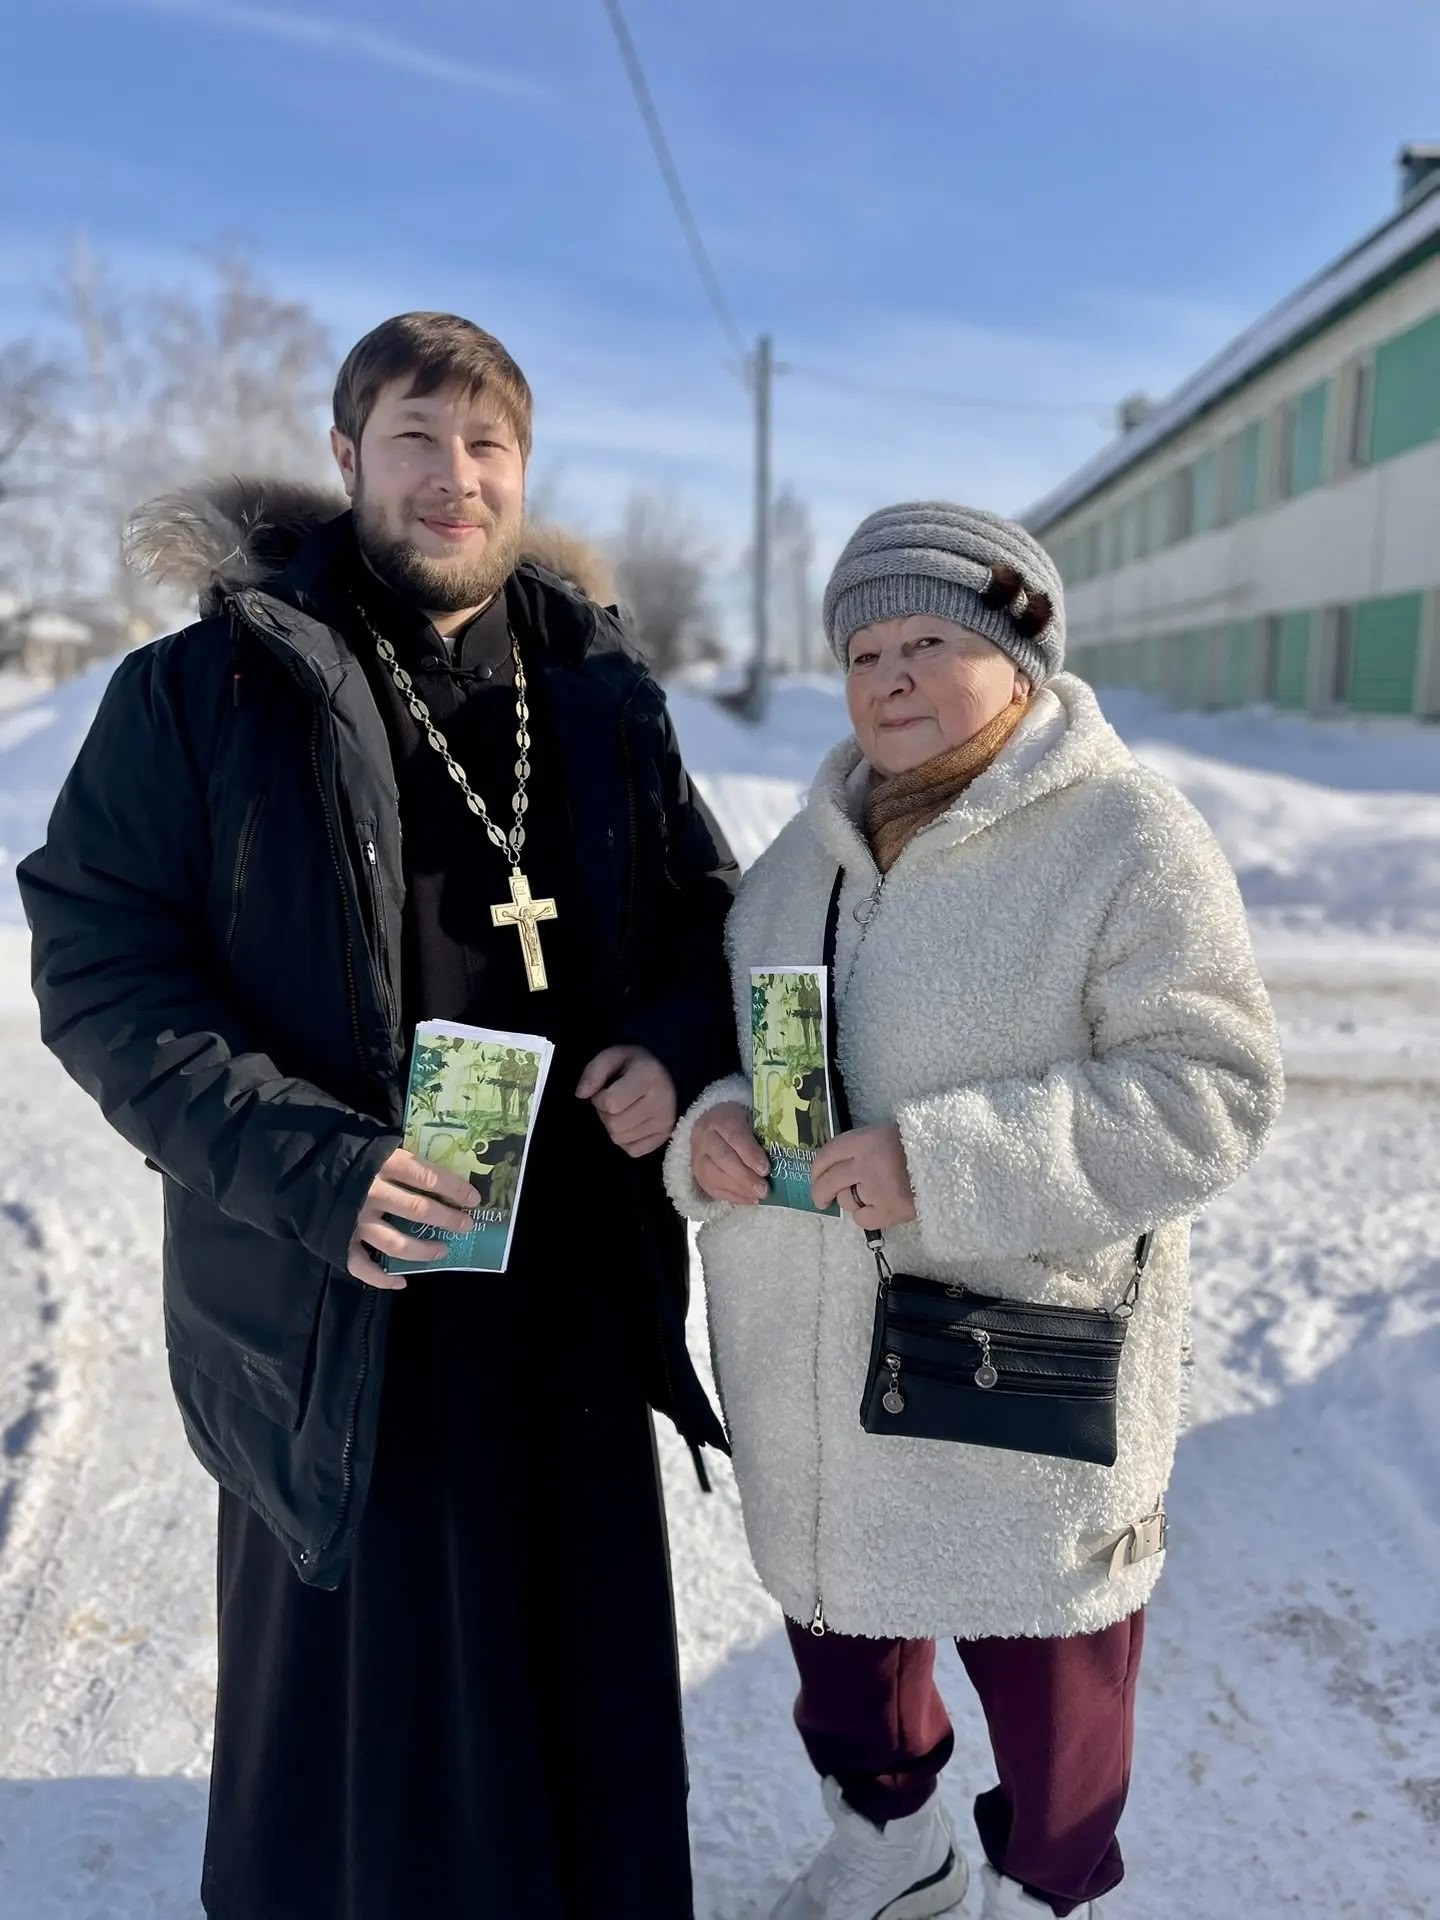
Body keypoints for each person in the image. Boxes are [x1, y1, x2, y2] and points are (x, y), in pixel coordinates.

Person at [18, 311, 740, 1920]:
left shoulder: (603, 694)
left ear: (523, 471)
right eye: (416, 436)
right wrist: (310, 1168)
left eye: (488, 445)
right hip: (341, 1278)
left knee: (575, 1684)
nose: (453, 475)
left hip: (570, 1276)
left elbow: (712, 918)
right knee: (366, 1720)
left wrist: (671, 1042)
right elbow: (101, 962)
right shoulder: (206, 688)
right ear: (347, 457)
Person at [666, 503, 1284, 1920]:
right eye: (862, 651)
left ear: (1021, 657)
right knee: (845, 1642)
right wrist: (711, 1129)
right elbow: (753, 1057)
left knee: (1055, 1689)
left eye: (928, 642)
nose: (889, 677)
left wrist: (945, 1163)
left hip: (1020, 1357)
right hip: (819, 1368)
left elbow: (1212, 1090)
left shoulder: (1127, 836)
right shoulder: (799, 863)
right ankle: (896, 1854)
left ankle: (1045, 1894)